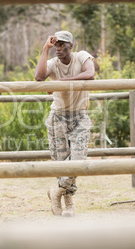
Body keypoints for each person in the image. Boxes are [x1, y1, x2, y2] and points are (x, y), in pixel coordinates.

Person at [34, 31, 95, 217]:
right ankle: (68, 204)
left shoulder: (81, 56)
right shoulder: (53, 63)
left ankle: (57, 191)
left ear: (71, 46)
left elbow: (90, 74)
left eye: (62, 45)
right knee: (61, 163)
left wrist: (62, 81)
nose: (59, 49)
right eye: (56, 45)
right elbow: (39, 77)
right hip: (58, 116)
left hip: (80, 115)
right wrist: (45, 48)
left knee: (78, 159)